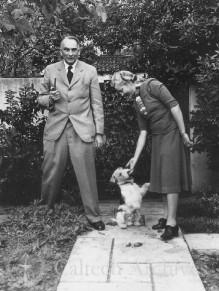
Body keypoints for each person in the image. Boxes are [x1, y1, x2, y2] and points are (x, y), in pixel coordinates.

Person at [111, 71, 193, 240]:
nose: (121, 94)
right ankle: (166, 217)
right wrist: (135, 157)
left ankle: (172, 224)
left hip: (171, 133)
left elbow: (174, 106)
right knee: (163, 178)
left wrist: (184, 133)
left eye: (120, 90)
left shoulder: (152, 85)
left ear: (127, 82)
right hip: (157, 137)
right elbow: (143, 131)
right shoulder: (137, 101)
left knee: (170, 177)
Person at [37, 35, 105, 230]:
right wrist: (49, 98)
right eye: (66, 50)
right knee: (50, 171)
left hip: (82, 129)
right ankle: (45, 212)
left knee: (87, 174)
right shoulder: (51, 70)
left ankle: (94, 217)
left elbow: (97, 103)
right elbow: (40, 99)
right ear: (61, 51)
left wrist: (99, 132)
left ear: (79, 51)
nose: (70, 53)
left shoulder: (90, 71)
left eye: (74, 50)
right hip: (56, 128)